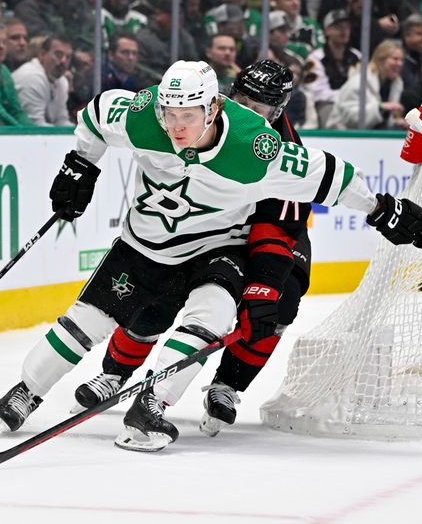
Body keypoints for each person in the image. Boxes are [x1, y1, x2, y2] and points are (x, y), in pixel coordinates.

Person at [0, 59, 422, 452]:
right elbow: (97, 115)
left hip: (215, 247)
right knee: (86, 321)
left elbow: (330, 176)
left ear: (214, 107)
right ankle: (24, 393)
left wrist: (381, 209)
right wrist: (81, 164)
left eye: (189, 114)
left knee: (214, 313)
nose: (177, 126)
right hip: (142, 246)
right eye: (169, 113)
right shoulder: (143, 117)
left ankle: (153, 404)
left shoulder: (254, 148)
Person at [71, 60, 313, 441]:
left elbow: (280, 224)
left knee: (279, 304)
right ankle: (114, 373)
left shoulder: (282, 149)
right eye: (242, 100)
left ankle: (228, 386)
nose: (248, 112)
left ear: (279, 110)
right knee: (158, 288)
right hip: (211, 227)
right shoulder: (206, 122)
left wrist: (264, 284)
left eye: (260, 107)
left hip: (269, 233)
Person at [326, 39, 405, 130]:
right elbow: (350, 117)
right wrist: (380, 107)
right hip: (342, 135)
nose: (400, 63)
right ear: (380, 59)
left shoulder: (397, 84)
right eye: (395, 59)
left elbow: (387, 119)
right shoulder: (358, 81)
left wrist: (397, 122)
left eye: (402, 60)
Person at [12, 33, 73, 126]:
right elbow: (35, 126)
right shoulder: (32, 77)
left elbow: (61, 120)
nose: (63, 61)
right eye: (58, 54)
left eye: (68, 57)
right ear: (42, 54)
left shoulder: (62, 81)